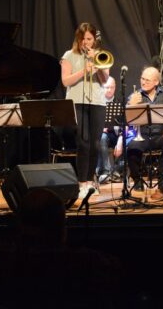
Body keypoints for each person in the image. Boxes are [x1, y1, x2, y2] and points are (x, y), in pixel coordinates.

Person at [60, 23, 110, 197]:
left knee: (96, 144)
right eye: (83, 39)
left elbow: (105, 81)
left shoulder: (100, 55)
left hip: (97, 102)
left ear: (94, 39)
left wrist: (98, 65)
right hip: (77, 102)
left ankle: (90, 182)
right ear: (78, 39)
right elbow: (65, 81)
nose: (86, 42)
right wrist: (84, 70)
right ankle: (81, 183)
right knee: (83, 142)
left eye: (89, 39)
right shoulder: (69, 55)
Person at [118, 66, 163, 200]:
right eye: (142, 79)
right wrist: (130, 106)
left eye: (147, 80)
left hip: (161, 134)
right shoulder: (134, 96)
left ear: (156, 82)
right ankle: (137, 180)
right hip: (142, 135)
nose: (143, 82)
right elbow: (125, 122)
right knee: (132, 147)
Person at [96, 76, 123, 184]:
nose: (109, 90)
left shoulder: (120, 102)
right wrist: (101, 128)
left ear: (115, 87)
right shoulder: (97, 103)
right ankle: (108, 172)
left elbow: (126, 124)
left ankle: (118, 170)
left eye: (112, 87)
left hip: (118, 133)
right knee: (102, 138)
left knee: (128, 139)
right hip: (104, 134)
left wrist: (121, 137)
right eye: (106, 87)